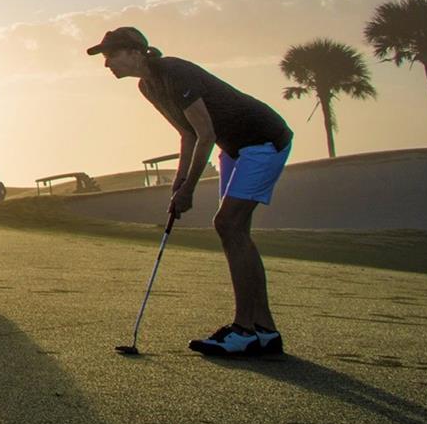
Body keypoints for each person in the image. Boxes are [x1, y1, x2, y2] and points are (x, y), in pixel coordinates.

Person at [88, 26, 293, 357]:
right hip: (235, 147)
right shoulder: (147, 86)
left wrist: (190, 189)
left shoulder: (174, 72)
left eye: (111, 55)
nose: (107, 63)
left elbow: (205, 133)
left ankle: (243, 330)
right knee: (236, 230)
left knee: (228, 225)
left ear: (135, 53)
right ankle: (265, 331)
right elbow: (188, 134)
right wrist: (179, 181)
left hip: (263, 141)